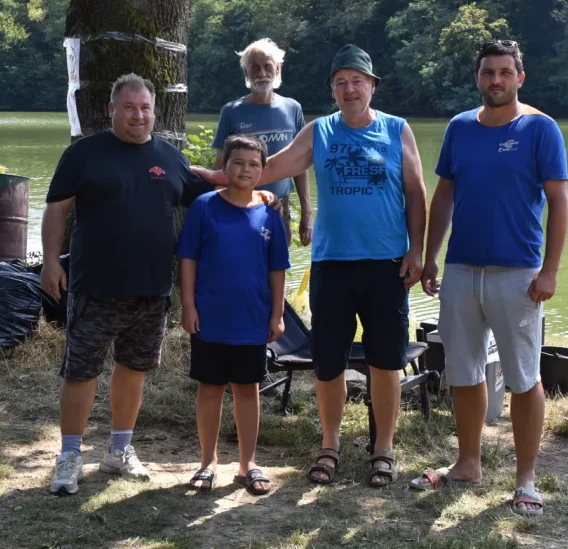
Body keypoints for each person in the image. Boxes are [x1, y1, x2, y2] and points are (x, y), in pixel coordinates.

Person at [193, 44, 428, 488]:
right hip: (332, 265)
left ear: (372, 86)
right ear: (332, 90)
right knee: (328, 363)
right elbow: (269, 167)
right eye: (340, 83)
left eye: (357, 81)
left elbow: (416, 194)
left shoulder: (397, 129)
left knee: (385, 362)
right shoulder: (319, 131)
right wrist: (219, 178)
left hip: (386, 264)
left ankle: (383, 449)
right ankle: (330, 445)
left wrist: (417, 252)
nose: (349, 89)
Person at [40, 73, 267, 495]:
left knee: (133, 369)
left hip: (151, 290)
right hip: (94, 285)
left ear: (154, 112)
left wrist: (256, 194)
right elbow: (56, 210)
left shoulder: (169, 156)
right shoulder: (83, 154)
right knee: (81, 371)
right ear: (112, 110)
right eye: (129, 108)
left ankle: (119, 449)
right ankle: (69, 455)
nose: (138, 115)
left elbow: (211, 190)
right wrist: (51, 262)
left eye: (145, 108)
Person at [411, 40, 568, 517]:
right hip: (461, 270)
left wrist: (550, 270)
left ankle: (526, 480)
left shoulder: (540, 129)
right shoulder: (460, 128)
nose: (495, 80)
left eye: (504, 72)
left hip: (518, 274)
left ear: (520, 77)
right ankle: (467, 463)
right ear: (477, 77)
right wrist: (431, 257)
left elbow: (559, 201)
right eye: (487, 72)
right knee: (463, 372)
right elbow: (444, 196)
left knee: (523, 378)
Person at [176, 135, 290, 495]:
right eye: (238, 162)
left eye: (254, 164)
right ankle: (207, 462)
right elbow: (188, 259)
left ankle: (247, 464)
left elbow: (277, 269)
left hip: (252, 318)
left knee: (247, 389)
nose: (245, 169)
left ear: (263, 171)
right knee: (210, 387)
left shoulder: (270, 212)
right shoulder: (205, 206)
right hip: (210, 315)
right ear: (224, 166)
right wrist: (189, 306)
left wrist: (277, 314)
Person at [212, 38, 312, 247]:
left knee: (278, 264)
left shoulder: (292, 108)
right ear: (246, 72)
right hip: (240, 204)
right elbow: (221, 165)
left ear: (278, 69)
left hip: (279, 208)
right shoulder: (231, 111)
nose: (262, 73)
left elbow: (300, 165)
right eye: (255, 67)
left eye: (268, 66)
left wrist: (307, 213)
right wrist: (215, 210)